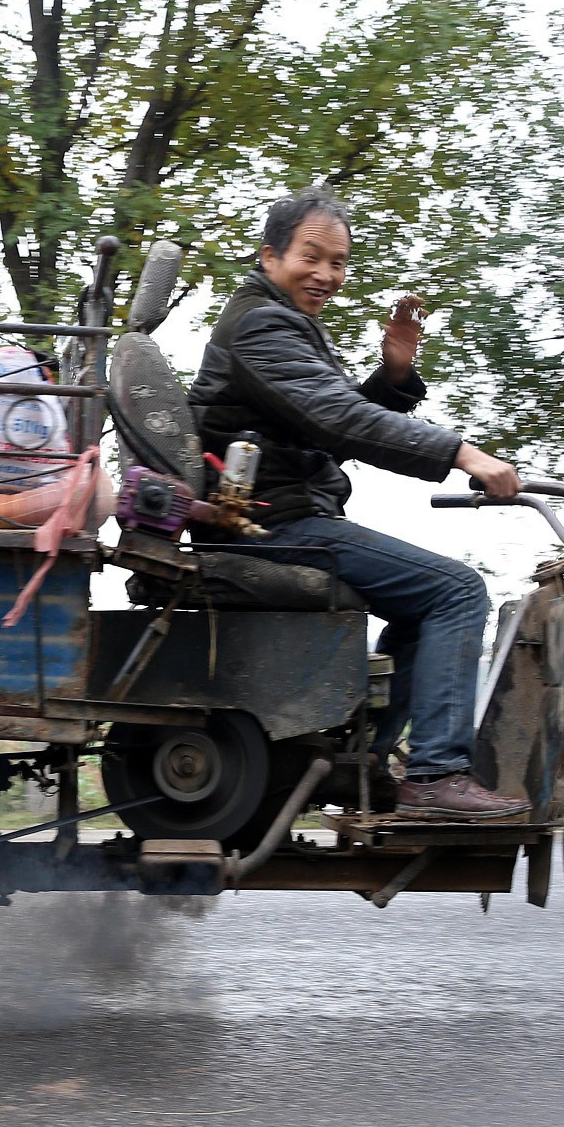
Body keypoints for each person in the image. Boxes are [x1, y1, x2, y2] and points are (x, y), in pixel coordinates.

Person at [189, 186, 530, 819]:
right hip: (270, 525)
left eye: (339, 263)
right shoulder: (262, 325)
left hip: (281, 516)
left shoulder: (282, 322)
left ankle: (362, 764)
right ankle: (435, 775)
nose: (326, 275)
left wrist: (395, 377)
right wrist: (466, 455)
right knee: (457, 592)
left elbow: (323, 427)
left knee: (424, 603)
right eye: (311, 257)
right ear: (269, 255)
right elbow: (339, 421)